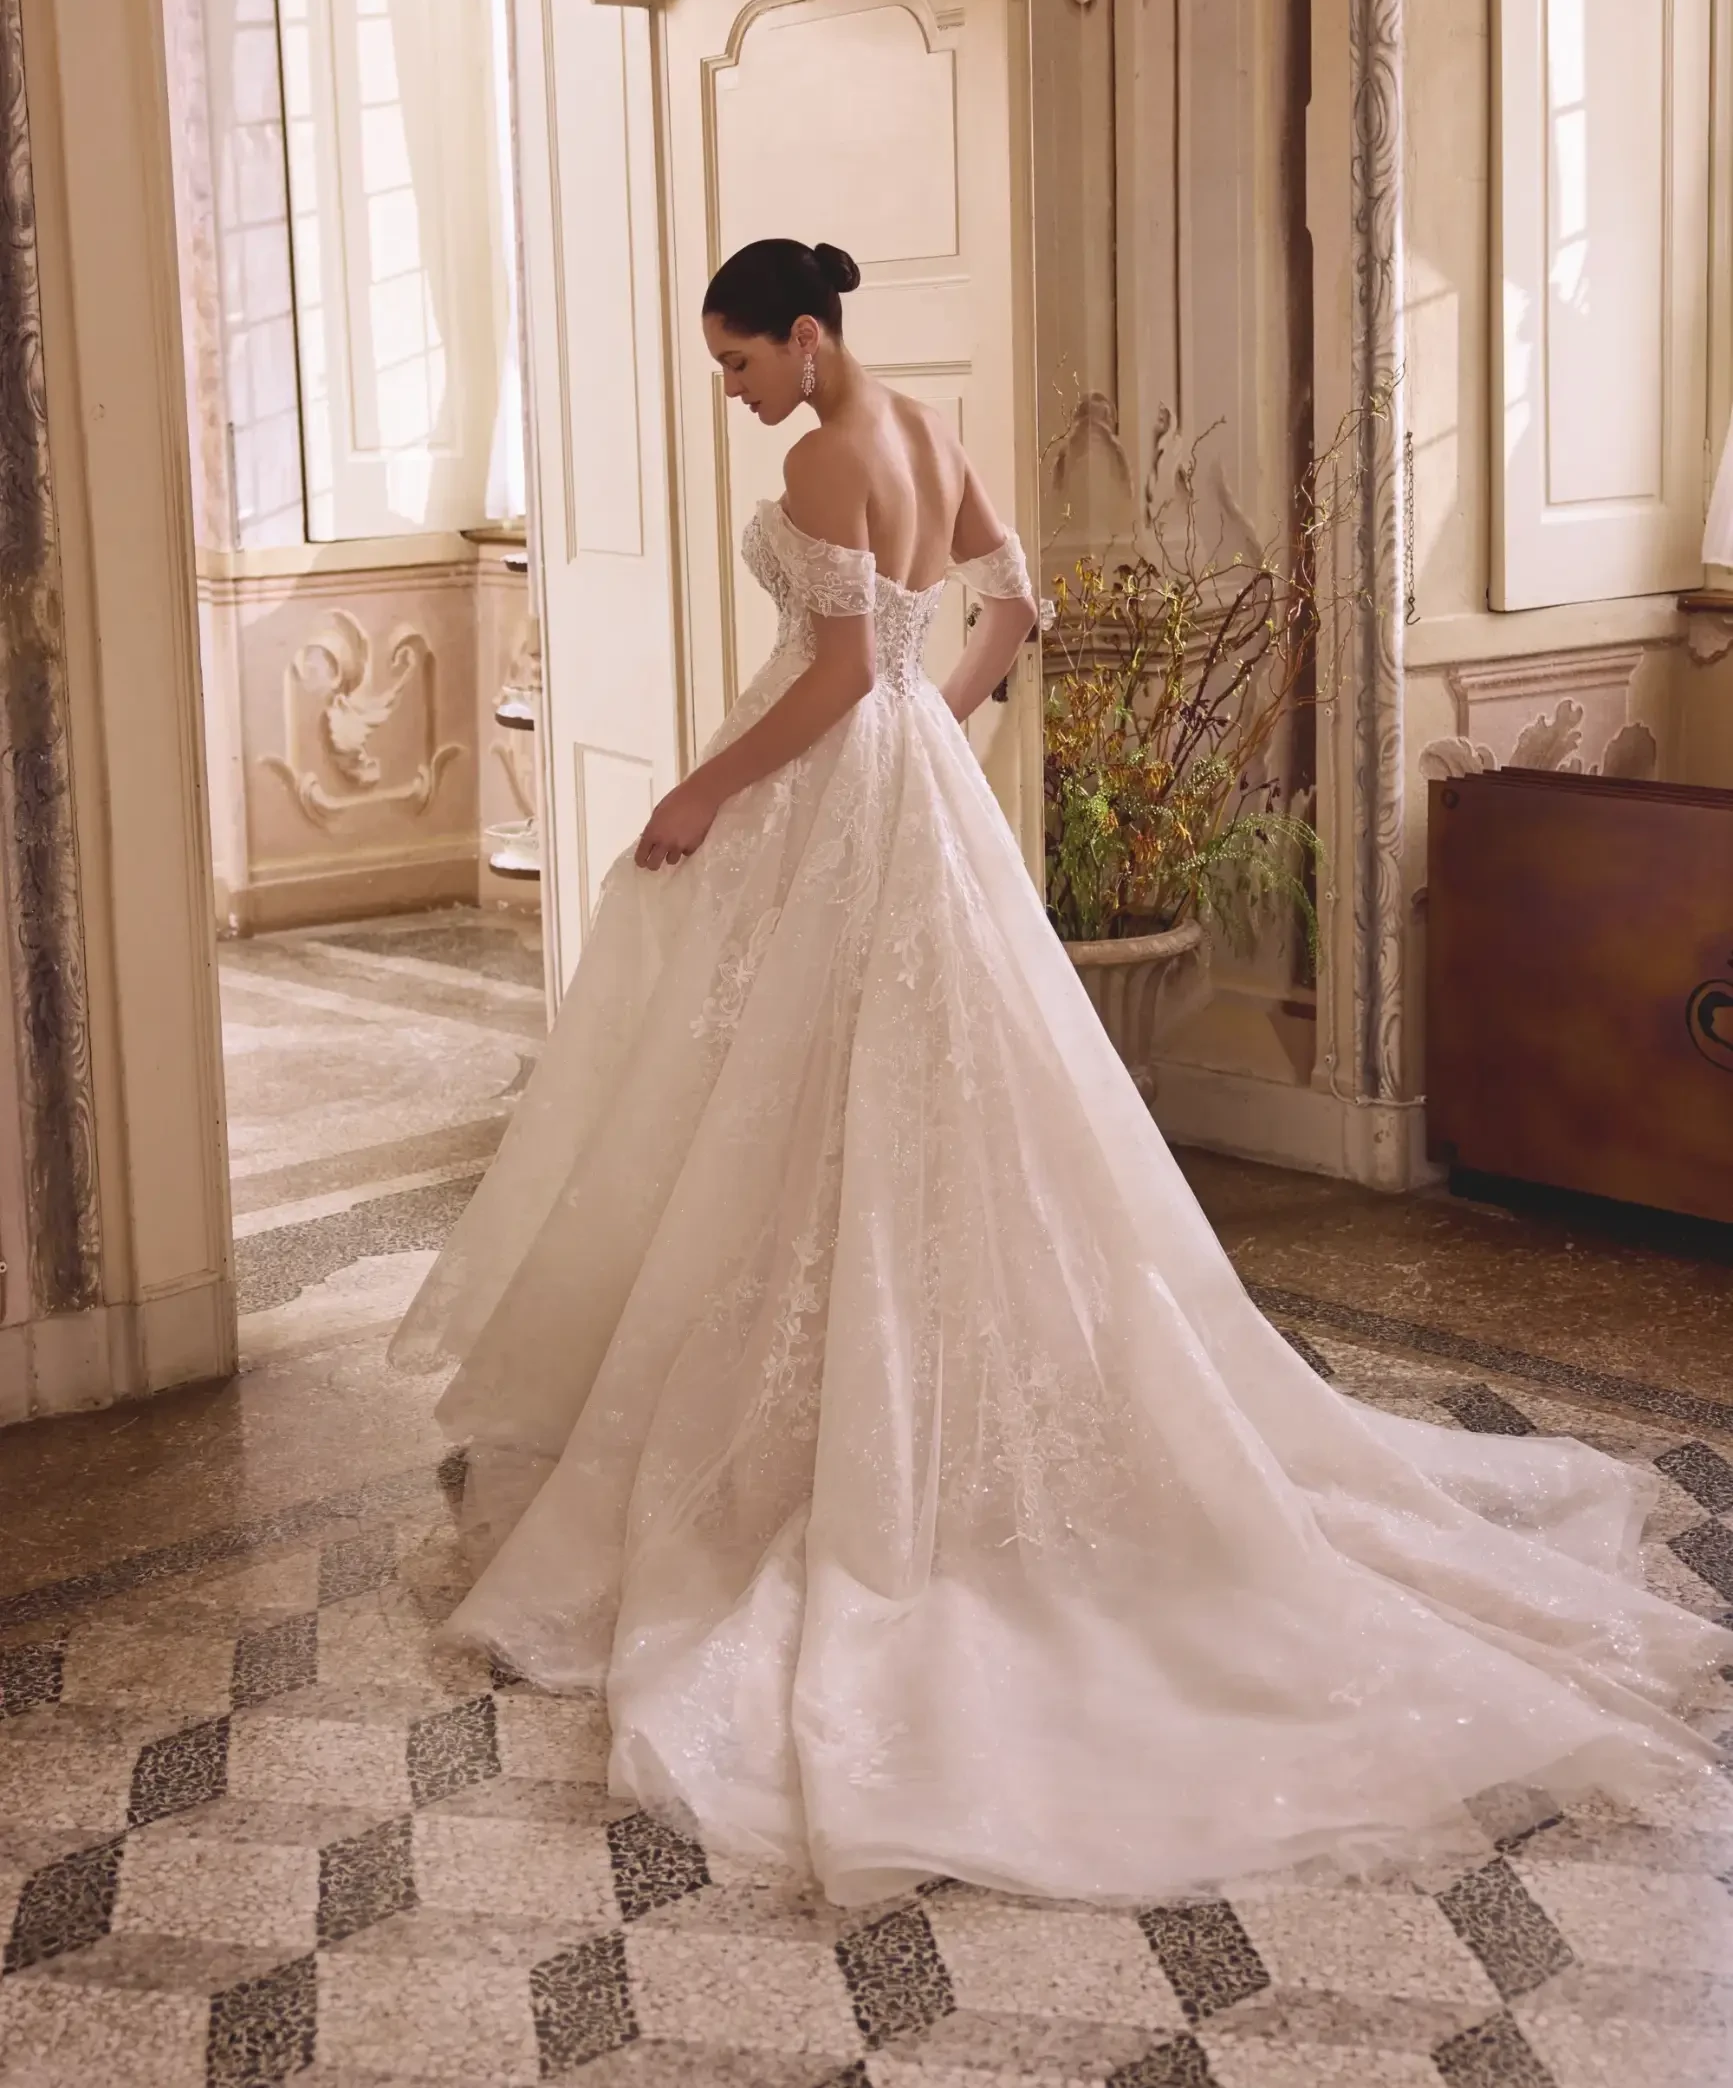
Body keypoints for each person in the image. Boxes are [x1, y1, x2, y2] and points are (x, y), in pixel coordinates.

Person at [392, 236, 1721, 1908]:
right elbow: (1016, 606)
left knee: (807, 1093)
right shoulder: (929, 432)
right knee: (921, 1097)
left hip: (830, 791)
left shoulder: (821, 455)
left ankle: (852, 1424)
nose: (732, 396)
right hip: (915, 801)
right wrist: (932, 719)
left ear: (807, 342)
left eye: (740, 363)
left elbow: (822, 679)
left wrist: (705, 793)